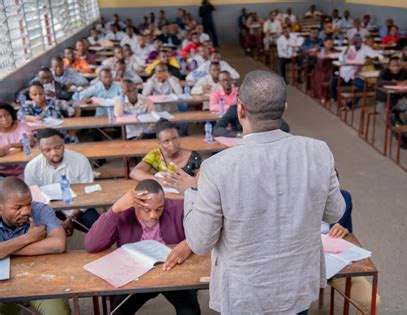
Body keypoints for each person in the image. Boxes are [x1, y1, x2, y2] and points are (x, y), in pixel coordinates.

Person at [182, 70, 345, 314]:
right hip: (297, 286)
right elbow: (335, 211)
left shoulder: (217, 168)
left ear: (241, 109)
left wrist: (192, 192)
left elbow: (200, 243)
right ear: (284, 108)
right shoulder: (318, 151)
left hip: (244, 293)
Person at [84, 179, 200, 314]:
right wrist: (114, 210)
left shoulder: (178, 208)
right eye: (146, 210)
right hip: (134, 275)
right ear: (135, 205)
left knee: (190, 312)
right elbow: (91, 245)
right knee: (118, 312)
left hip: (172, 271)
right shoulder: (124, 213)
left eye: (159, 209)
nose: (153, 215)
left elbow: (206, 229)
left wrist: (189, 243)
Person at [0, 177, 70, 315]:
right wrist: (28, 238)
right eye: (18, 207)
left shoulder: (41, 210)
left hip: (43, 280)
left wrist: (6, 250)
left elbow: (58, 244)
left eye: (29, 204)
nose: (26, 211)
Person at [24, 128, 100, 236]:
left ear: (63, 143)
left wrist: (71, 219)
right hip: (46, 210)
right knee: (41, 237)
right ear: (39, 149)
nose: (54, 153)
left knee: (100, 230)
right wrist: (56, 221)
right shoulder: (32, 167)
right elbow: (33, 201)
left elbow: (88, 195)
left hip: (78, 207)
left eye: (57, 147)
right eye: (47, 150)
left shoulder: (80, 160)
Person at [322, 188, 381, 314]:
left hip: (335, 266)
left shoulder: (344, 198)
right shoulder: (294, 200)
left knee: (372, 302)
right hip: (301, 269)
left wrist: (344, 231)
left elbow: (349, 233)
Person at [130, 120, 201, 185]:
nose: (172, 144)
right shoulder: (155, 155)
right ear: (159, 142)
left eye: (175, 138)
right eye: (166, 141)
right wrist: (159, 180)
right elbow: (134, 172)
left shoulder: (192, 157)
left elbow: (201, 180)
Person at [375, 57, 407, 148]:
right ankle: (399, 137)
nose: (396, 68)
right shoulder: (384, 72)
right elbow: (379, 82)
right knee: (388, 116)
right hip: (382, 101)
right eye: (393, 66)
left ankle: (406, 135)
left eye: (398, 66)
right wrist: (396, 83)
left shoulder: (403, 71)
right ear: (389, 66)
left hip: (396, 100)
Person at [330, 35, 383, 107]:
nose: (357, 45)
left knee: (363, 86)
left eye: (359, 43)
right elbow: (341, 59)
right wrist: (348, 48)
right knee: (332, 82)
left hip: (354, 75)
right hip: (343, 74)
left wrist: (373, 59)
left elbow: (379, 56)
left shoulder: (365, 48)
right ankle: (336, 99)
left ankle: (351, 104)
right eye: (355, 43)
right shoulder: (349, 48)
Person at [214, 102, 289, 137]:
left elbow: (285, 127)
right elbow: (217, 129)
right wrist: (239, 134)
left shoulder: (261, 109)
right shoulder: (233, 110)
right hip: (239, 144)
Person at [0, 102, 35, 177]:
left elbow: (30, 141)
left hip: (22, 169)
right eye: (0, 117)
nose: (5, 119)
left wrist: (10, 145)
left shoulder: (21, 126)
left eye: (7, 115)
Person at [313, 38, 338, 102]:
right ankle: (322, 95)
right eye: (328, 43)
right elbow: (320, 60)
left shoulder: (334, 50)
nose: (330, 45)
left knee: (333, 74)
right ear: (324, 43)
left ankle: (332, 95)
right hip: (321, 68)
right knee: (323, 76)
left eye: (331, 43)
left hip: (331, 68)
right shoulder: (320, 50)